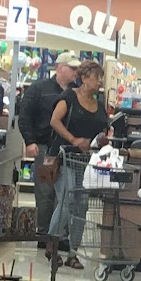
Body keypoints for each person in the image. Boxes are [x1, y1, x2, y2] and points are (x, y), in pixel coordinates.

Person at [49, 59, 111, 267]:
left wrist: (102, 139)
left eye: (101, 78)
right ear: (84, 78)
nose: (100, 82)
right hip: (64, 157)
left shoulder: (99, 105)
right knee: (67, 201)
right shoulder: (69, 97)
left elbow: (103, 129)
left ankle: (73, 252)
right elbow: (55, 121)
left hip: (85, 161)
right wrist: (74, 140)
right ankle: (52, 243)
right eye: (97, 78)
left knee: (82, 206)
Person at [18, 51, 81, 251]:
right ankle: (44, 234)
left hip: (67, 151)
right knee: (45, 193)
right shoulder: (39, 89)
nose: (76, 72)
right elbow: (24, 116)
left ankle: (58, 236)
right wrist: (30, 141)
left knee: (65, 195)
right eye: (72, 68)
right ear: (60, 67)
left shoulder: (76, 93)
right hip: (45, 148)